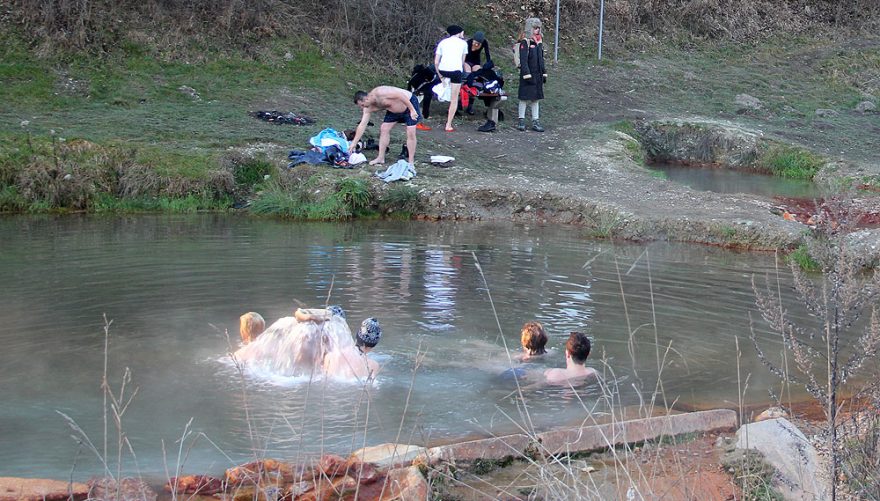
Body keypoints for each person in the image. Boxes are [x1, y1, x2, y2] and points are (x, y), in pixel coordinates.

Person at [349, 86, 421, 167]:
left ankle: (411, 162)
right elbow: (362, 124)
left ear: (366, 99)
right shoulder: (367, 108)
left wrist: (412, 110)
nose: (362, 108)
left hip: (409, 104)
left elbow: (400, 95)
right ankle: (380, 157)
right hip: (393, 110)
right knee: (384, 128)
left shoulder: (380, 92)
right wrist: (354, 143)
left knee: (410, 131)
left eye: (362, 105)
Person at [514, 17, 547, 132]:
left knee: (536, 99)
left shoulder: (539, 42)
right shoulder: (525, 42)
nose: (537, 30)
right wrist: (526, 74)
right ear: (530, 28)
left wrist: (544, 72)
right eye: (535, 28)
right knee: (524, 98)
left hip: (538, 75)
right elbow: (523, 60)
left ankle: (535, 121)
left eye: (538, 28)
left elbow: (541, 59)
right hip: (527, 75)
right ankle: (521, 120)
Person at [434, 25, 468, 132]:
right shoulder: (463, 43)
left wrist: (441, 76)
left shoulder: (442, 42)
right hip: (455, 72)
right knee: (454, 100)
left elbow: (436, 62)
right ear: (459, 32)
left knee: (443, 85)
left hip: (443, 70)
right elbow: (462, 62)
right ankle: (448, 124)